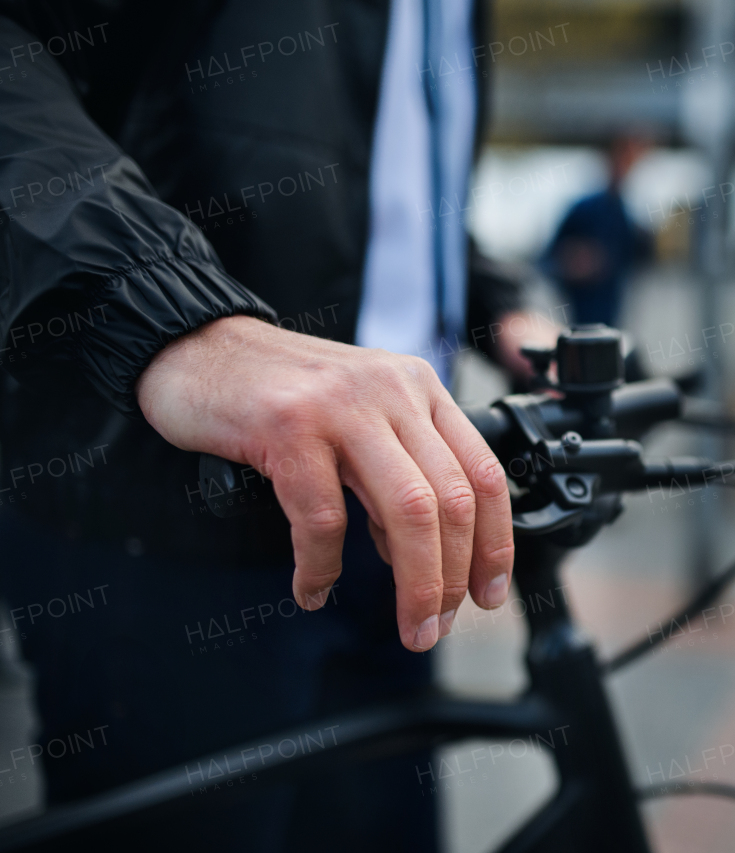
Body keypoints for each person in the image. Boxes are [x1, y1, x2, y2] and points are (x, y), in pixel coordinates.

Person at [0, 1, 545, 848]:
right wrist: (167, 311)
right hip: (162, 517)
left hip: (393, 496)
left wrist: (495, 302)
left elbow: (385, 174)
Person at [543, 134, 654, 328]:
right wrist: (575, 262)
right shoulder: (583, 209)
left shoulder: (627, 216)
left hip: (613, 321)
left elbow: (643, 260)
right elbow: (548, 260)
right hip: (578, 320)